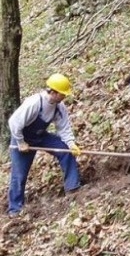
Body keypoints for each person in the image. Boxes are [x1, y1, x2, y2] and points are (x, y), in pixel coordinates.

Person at [7, 73, 82, 217]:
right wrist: (21, 142)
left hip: (40, 136)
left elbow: (64, 128)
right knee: (19, 174)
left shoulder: (59, 107)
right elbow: (14, 123)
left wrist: (72, 144)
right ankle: (15, 209)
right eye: (62, 94)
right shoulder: (34, 103)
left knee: (65, 151)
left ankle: (73, 187)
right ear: (53, 92)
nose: (64, 97)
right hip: (22, 139)